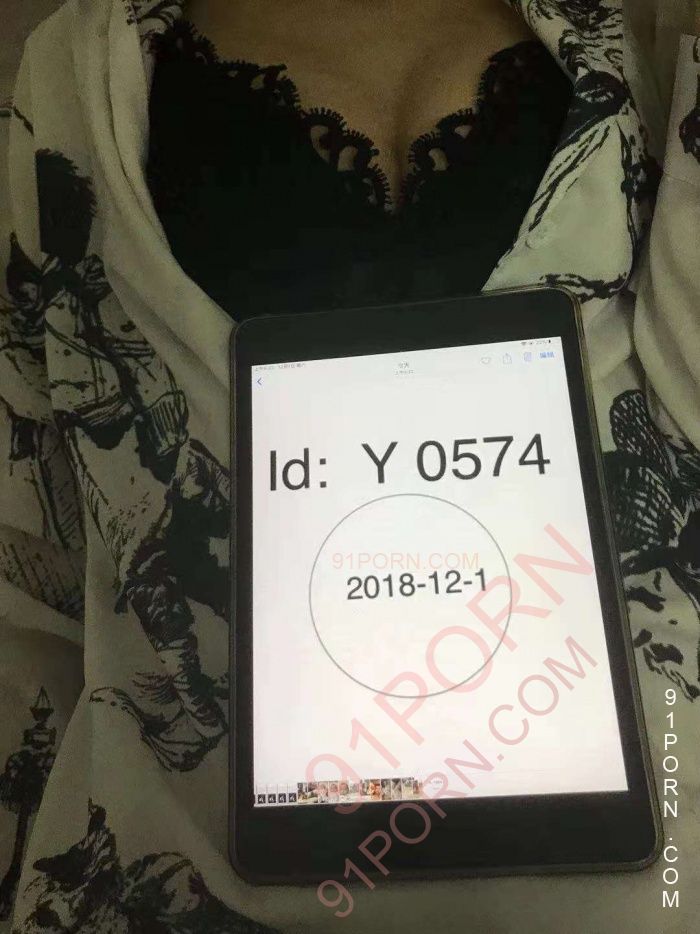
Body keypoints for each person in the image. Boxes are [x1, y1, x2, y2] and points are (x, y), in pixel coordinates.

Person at [0, 1, 699, 932]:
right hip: (176, 878)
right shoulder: (78, 70)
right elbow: (32, 577)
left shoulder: (632, 36)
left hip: (647, 868)